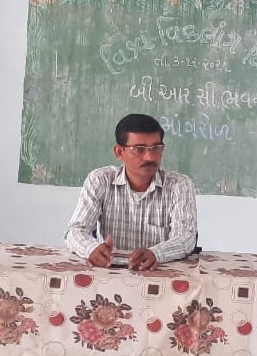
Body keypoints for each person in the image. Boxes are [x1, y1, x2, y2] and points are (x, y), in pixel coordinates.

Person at [64, 113, 198, 271]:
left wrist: (156, 253)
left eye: (156, 148)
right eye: (139, 149)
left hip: (159, 274)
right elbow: (75, 230)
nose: (149, 157)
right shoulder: (100, 181)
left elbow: (186, 237)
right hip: (110, 272)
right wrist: (91, 248)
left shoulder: (180, 185)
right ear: (119, 152)